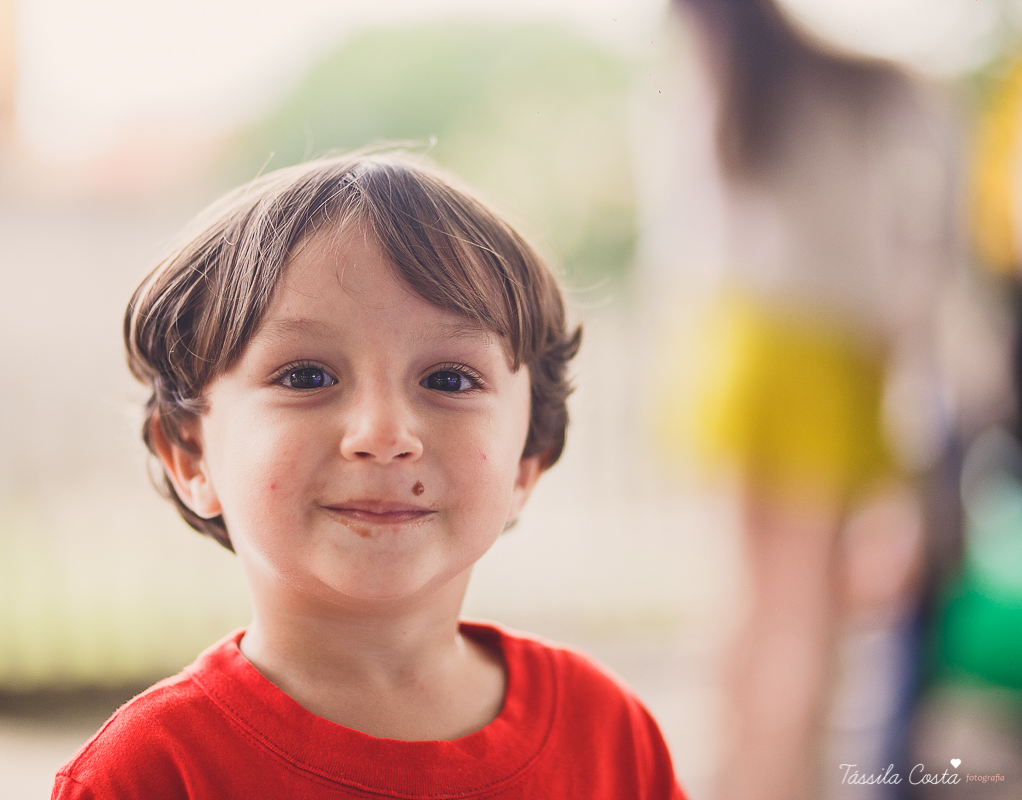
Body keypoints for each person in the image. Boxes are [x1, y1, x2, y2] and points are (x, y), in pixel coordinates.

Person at [50, 152, 687, 799]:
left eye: (448, 379)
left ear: (530, 455)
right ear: (189, 453)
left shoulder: (608, 736)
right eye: (306, 377)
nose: (384, 436)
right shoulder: (147, 776)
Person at [665, 1, 955, 799]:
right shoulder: (873, 89)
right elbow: (927, 242)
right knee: (807, 620)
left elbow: (685, 249)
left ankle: (736, 780)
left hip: (735, 351)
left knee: (752, 606)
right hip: (828, 356)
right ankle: (780, 784)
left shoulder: (712, 86)